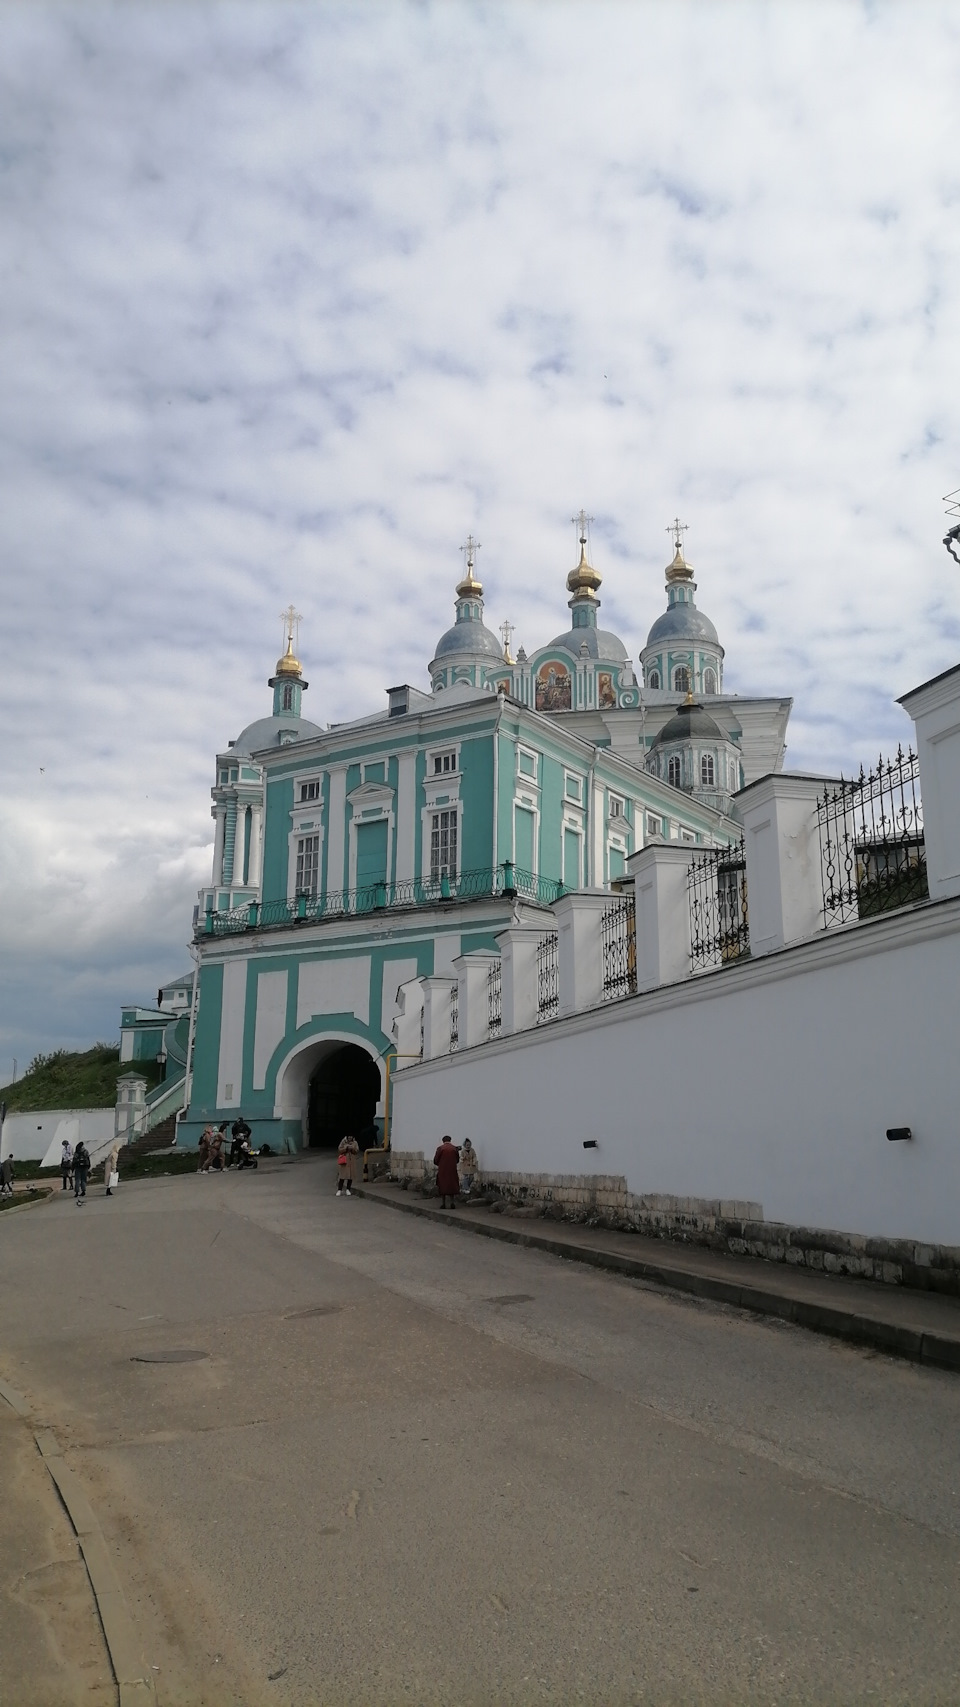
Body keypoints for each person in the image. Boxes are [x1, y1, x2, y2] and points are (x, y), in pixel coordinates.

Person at [433, 1134, 460, 1209]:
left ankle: (443, 1203)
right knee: (452, 1185)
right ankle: (452, 1202)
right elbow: (457, 1159)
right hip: (452, 1170)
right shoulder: (454, 1149)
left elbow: (436, 1160)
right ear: (450, 1140)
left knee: (443, 1186)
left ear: (443, 1141)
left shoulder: (440, 1148)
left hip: (443, 1170)